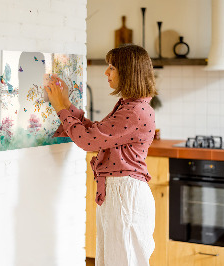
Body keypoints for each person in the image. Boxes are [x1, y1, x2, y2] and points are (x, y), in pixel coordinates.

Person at [45, 44, 157, 266]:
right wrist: (66, 103)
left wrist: (60, 108)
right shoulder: (130, 106)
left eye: (112, 67)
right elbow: (96, 133)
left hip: (125, 195)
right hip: (120, 193)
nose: (106, 72)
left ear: (128, 72)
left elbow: (88, 141)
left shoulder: (134, 111)